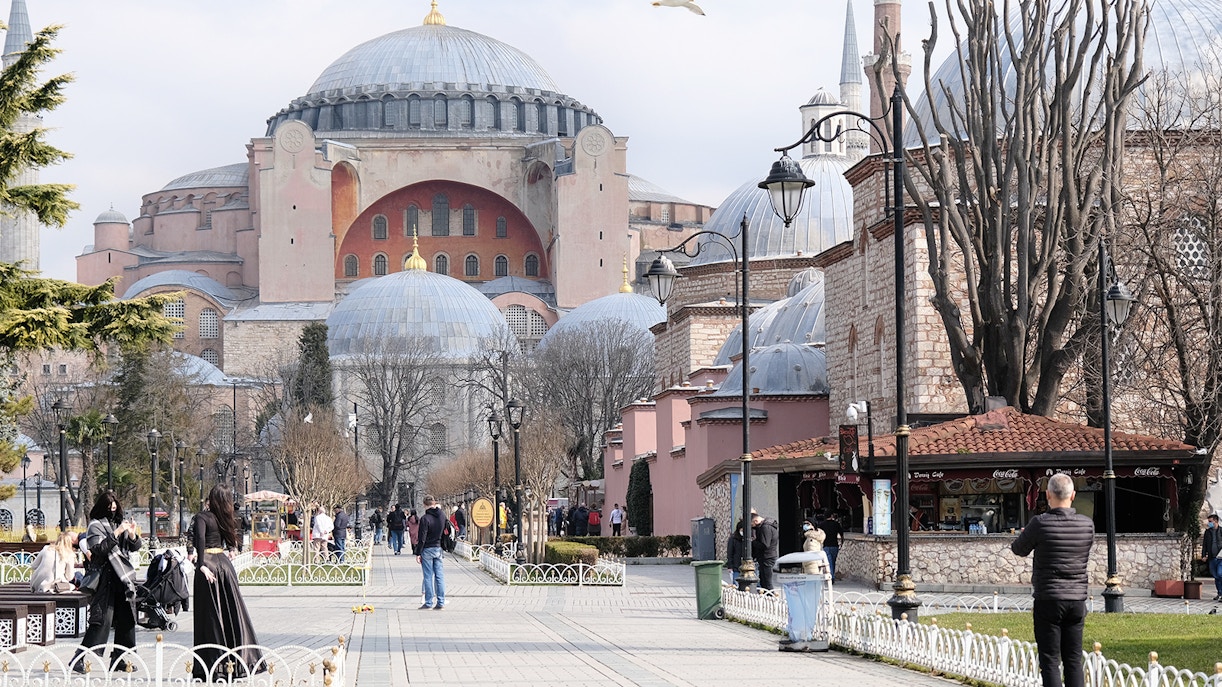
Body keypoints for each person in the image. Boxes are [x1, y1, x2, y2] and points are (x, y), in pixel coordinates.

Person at [1010, 472, 1094, 687]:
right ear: (1073, 495)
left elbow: (1018, 549)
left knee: (1050, 660)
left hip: (1049, 597)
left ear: (1048, 495)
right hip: (1076, 598)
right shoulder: (1087, 525)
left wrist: (1027, 533)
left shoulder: (1040, 523)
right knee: (1074, 660)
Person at [193, 485, 264, 680]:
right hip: (224, 565)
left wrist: (201, 566)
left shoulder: (203, 517)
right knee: (232, 612)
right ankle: (238, 662)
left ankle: (214, 665)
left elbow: (199, 540)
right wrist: (231, 549)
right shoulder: (224, 517)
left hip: (208, 565)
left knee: (211, 617)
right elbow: (232, 541)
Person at [72, 490, 143, 674]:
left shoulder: (119, 523)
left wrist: (132, 534)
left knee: (126, 621)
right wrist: (116, 532)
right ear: (102, 508)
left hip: (122, 579)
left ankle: (119, 659)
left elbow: (133, 547)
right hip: (105, 581)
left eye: (115, 509)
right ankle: (78, 658)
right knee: (100, 622)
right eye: (109, 509)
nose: (112, 512)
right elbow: (98, 550)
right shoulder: (95, 526)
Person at [415, 495, 447, 610]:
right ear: (434, 503)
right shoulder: (442, 516)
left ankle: (428, 602)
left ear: (425, 504)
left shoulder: (425, 518)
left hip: (427, 549)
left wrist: (418, 552)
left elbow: (422, 537)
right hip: (438, 547)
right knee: (439, 576)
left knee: (428, 576)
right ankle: (441, 601)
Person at [751, 509, 779, 590]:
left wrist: (753, 542)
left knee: (767, 582)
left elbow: (765, 544)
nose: (753, 527)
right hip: (767, 556)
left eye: (752, 525)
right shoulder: (767, 526)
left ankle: (771, 598)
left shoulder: (765, 527)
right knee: (764, 581)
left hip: (767, 557)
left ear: (756, 521)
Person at [816, 510, 842, 578]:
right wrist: (842, 542)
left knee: (829, 561)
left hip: (826, 546)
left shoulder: (822, 525)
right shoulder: (836, 524)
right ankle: (832, 575)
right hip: (834, 546)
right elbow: (841, 534)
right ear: (831, 516)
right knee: (833, 561)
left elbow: (818, 534)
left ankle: (831, 576)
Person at [1202, 514, 1222, 601]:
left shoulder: (1221, 531)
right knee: (1216, 576)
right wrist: (1204, 555)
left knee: (1220, 574)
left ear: (1216, 521)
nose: (1209, 523)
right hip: (1212, 557)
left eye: (1210, 521)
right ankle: (1219, 593)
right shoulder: (1208, 532)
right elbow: (1205, 544)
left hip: (1221, 557)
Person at [725, 520, 744, 585]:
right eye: (742, 530)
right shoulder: (733, 539)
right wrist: (730, 566)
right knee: (736, 584)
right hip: (736, 566)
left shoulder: (748, 539)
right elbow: (730, 553)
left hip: (746, 566)